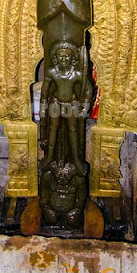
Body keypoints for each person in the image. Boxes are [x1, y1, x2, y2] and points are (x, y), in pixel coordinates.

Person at [39, 41, 93, 176]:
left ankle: (76, 159)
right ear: (55, 58)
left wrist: (85, 107)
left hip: (72, 104)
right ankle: (49, 156)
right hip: (55, 103)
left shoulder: (77, 74)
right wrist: (43, 109)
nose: (63, 59)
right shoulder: (52, 72)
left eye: (67, 56)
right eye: (60, 56)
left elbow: (88, 89)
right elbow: (44, 93)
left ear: (73, 58)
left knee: (72, 131)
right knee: (52, 130)